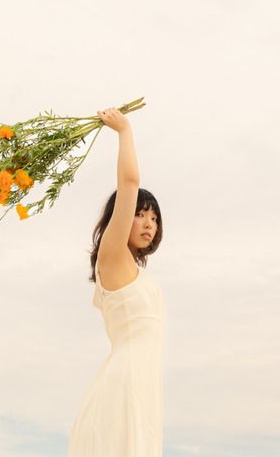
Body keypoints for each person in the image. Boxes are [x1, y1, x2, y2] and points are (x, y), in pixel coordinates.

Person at [66, 106, 166, 456]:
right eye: (139, 214)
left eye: (152, 216)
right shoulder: (112, 256)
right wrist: (124, 131)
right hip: (123, 386)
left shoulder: (139, 273)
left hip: (143, 388)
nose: (147, 222)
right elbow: (129, 183)